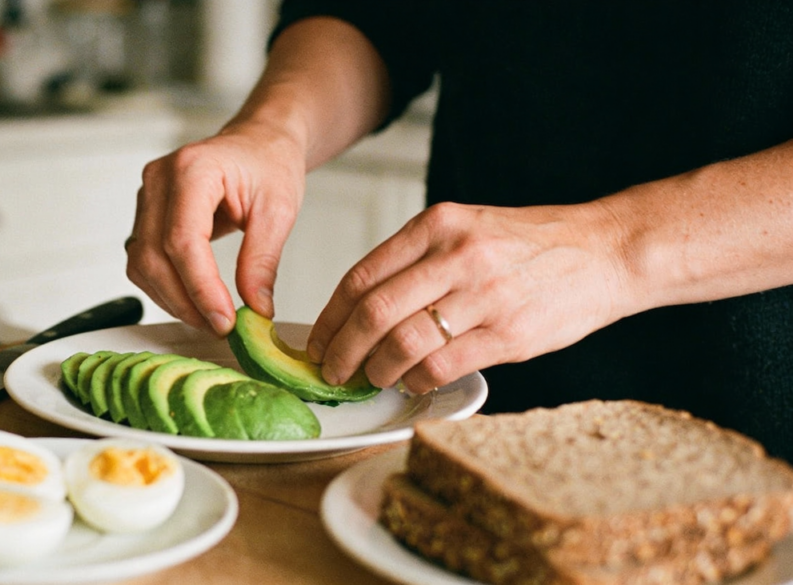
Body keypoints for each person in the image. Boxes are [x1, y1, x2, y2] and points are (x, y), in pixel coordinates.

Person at [125, 1, 793, 461]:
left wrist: (615, 248)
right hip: (476, 403)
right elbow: (380, 16)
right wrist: (274, 128)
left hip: (760, 425)